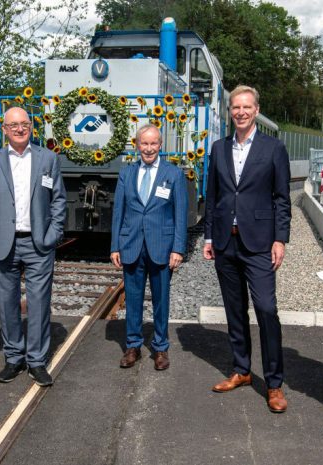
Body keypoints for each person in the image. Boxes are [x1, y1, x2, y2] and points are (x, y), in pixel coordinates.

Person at [203, 85, 291, 413]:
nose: (240, 112)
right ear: (230, 112)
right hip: (226, 241)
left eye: (246, 107)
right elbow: (213, 197)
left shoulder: (273, 149)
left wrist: (280, 239)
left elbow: (282, 199)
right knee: (235, 309)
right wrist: (210, 238)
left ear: (256, 110)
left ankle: (274, 383)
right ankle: (241, 370)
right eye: (235, 107)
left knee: (266, 309)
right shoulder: (218, 148)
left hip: (259, 243)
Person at [0, 107, 66, 387]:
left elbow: (59, 200)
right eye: (13, 125)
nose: (18, 129)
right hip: (4, 242)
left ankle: (36, 361)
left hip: (38, 243)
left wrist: (53, 234)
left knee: (39, 303)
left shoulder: (47, 158)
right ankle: (14, 357)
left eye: (24, 124)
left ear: (31, 127)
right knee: (7, 302)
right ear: (4, 129)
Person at [110, 124, 187, 370]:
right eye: (144, 143)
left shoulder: (173, 174)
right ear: (137, 145)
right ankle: (132, 345)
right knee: (132, 299)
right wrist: (115, 246)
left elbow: (181, 214)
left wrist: (178, 249)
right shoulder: (127, 173)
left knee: (161, 300)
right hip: (131, 246)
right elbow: (118, 212)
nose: (149, 148)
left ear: (161, 145)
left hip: (162, 247)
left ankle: (161, 348)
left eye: (154, 143)